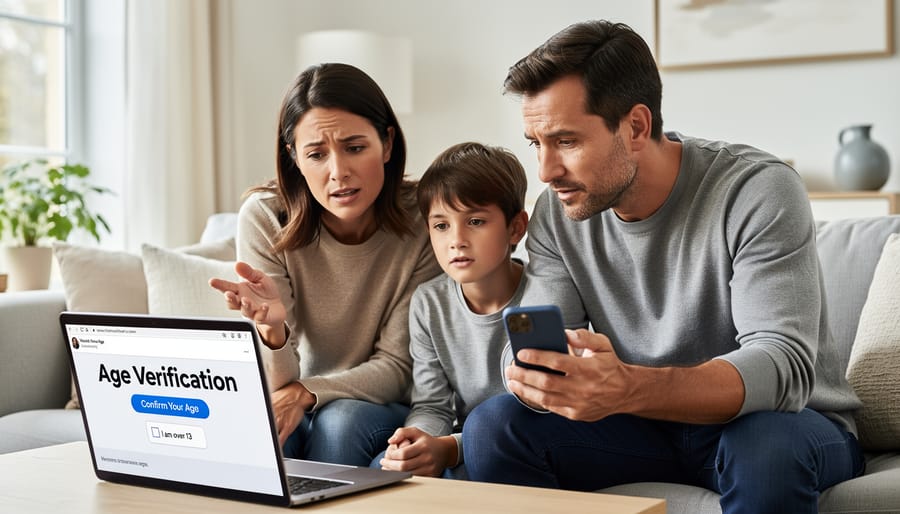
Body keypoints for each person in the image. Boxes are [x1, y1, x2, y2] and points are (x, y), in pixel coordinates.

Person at [462, 20, 864, 513]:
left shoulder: (756, 190)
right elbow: (536, 342)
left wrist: (626, 387)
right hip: (642, 430)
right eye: (535, 143)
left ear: (635, 127)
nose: (545, 171)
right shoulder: (559, 212)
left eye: (566, 142)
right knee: (493, 428)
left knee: (765, 449)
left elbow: (781, 364)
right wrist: (533, 378)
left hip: (778, 423)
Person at [209, 63, 442, 466]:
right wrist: (272, 331)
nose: (339, 172)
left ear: (386, 144)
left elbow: (399, 366)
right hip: (294, 390)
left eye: (355, 147)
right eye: (316, 154)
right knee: (261, 429)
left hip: (376, 401)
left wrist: (308, 392)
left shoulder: (426, 218)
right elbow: (276, 386)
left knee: (340, 422)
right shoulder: (265, 217)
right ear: (295, 158)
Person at [374, 142, 529, 479]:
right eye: (441, 226)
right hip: (455, 442)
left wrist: (450, 447)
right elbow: (431, 404)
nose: (456, 240)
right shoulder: (429, 302)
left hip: (512, 446)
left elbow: (533, 413)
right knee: (384, 470)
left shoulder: (541, 295)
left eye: (475, 221)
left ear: (515, 227)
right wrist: (417, 441)